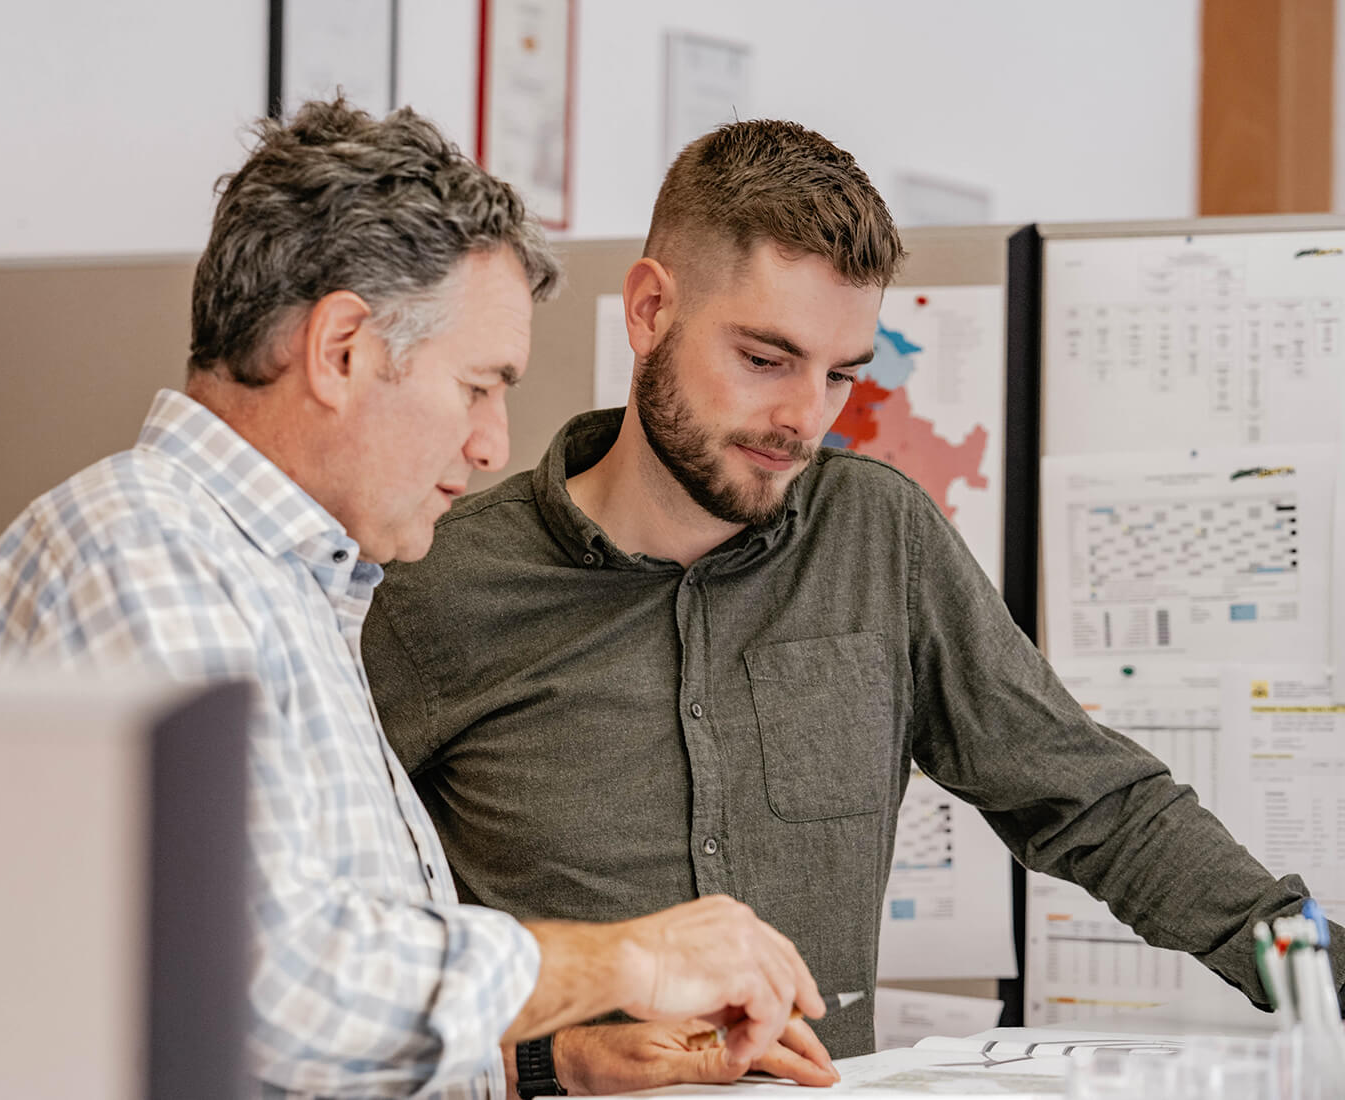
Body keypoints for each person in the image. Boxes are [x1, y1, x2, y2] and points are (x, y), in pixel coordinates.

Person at [361, 117, 1345, 1080]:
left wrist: (1322, 970)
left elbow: (1102, 808)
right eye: (765, 358)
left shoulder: (878, 538)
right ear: (649, 309)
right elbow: (318, 951)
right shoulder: (433, 581)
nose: (803, 419)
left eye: (839, 374)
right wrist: (543, 1059)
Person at [0, 100, 836, 1099]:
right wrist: (631, 960)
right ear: (340, 349)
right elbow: (264, 988)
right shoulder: (141, 549)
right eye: (476, 386)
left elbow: (320, 1037)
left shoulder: (287, 584)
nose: (493, 444)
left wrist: (555, 1060)